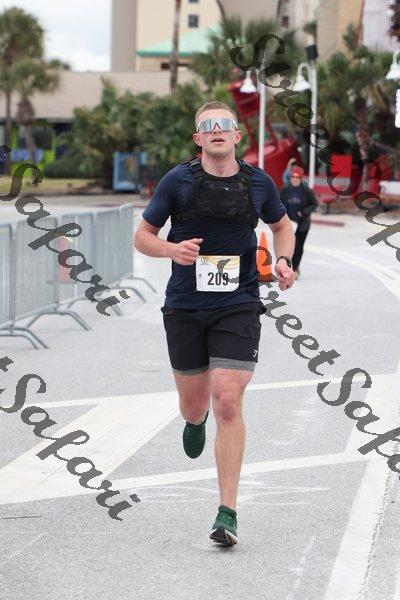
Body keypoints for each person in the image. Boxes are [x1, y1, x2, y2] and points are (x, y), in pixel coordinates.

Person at [133, 100, 295, 547]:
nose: (217, 129)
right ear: (198, 138)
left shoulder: (258, 183)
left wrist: (283, 260)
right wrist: (172, 250)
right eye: (208, 125)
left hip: (238, 303)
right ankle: (194, 418)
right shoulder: (178, 181)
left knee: (227, 399)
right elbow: (143, 236)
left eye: (225, 124)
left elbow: (283, 226)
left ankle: (227, 512)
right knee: (195, 404)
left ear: (237, 135)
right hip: (185, 306)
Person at [279, 166, 318, 279]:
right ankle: (287, 267)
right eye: (293, 177)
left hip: (302, 224)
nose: (295, 179)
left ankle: (295, 268)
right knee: (287, 247)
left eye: (297, 177)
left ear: (301, 179)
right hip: (289, 224)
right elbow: (278, 203)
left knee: (298, 247)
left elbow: (314, 204)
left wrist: (304, 212)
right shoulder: (285, 189)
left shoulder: (306, 190)